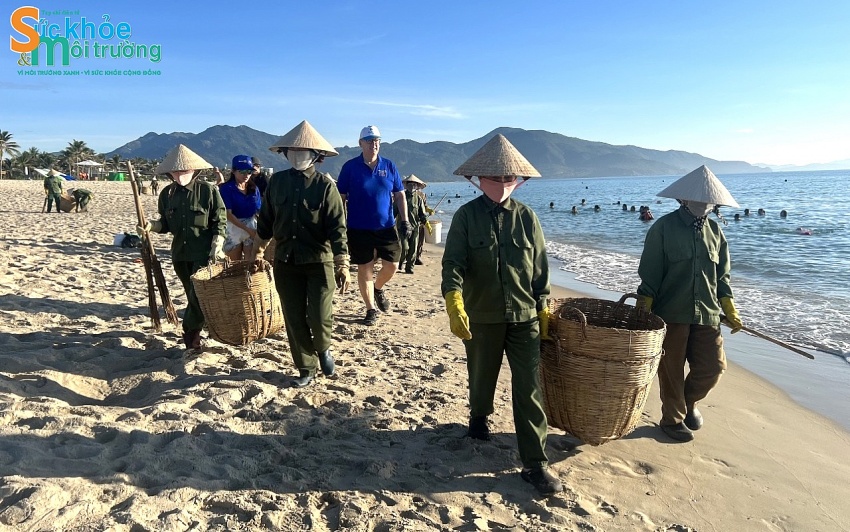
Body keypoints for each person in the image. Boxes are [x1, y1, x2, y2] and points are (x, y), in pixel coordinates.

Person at [442, 134, 562, 496]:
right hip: (482, 314)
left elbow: (540, 270)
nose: (504, 184)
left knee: (529, 388)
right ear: (479, 179)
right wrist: (454, 300)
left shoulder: (528, 219)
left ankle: (535, 463)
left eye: (510, 178)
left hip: (524, 317)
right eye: (497, 178)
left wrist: (543, 309)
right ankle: (479, 418)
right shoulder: (466, 217)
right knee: (481, 374)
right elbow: (453, 264)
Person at [636, 165, 744, 443]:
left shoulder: (716, 233)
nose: (703, 204)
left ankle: (688, 403)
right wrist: (643, 310)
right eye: (697, 198)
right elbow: (650, 273)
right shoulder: (663, 228)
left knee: (713, 367)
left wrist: (729, 307)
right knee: (671, 370)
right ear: (682, 199)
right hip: (670, 313)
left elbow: (723, 277)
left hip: (707, 314)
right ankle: (671, 419)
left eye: (709, 200)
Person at [257, 120, 349, 388]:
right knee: (294, 318)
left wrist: (343, 263)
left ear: (316, 156)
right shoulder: (277, 183)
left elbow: (337, 228)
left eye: (303, 152)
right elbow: (265, 222)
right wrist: (257, 254)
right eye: (292, 152)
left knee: (319, 316)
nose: (297, 156)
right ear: (286, 154)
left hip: (320, 262)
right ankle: (306, 368)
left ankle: (323, 348)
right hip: (286, 262)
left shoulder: (325, 187)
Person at [137, 144, 227, 350]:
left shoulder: (208, 191)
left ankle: (190, 334)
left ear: (194, 170)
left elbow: (219, 221)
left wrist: (217, 243)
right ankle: (199, 331)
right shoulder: (167, 194)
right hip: (180, 255)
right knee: (191, 294)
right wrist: (151, 226)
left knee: (197, 296)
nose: (180, 175)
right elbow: (165, 224)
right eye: (176, 172)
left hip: (204, 254)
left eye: (184, 171)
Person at [336, 125, 410, 326]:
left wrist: (405, 221)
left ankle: (378, 288)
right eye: (369, 141)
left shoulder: (389, 166)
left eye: (376, 140)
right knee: (364, 269)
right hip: (358, 228)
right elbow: (340, 197)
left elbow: (400, 194)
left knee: (393, 265)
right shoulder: (350, 167)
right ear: (360, 143)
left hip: (386, 227)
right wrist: (340, 223)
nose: (373, 144)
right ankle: (370, 309)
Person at [217, 155, 262, 261]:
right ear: (233, 171)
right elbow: (228, 214)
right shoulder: (226, 189)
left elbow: (259, 210)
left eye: (249, 171)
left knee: (251, 262)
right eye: (242, 171)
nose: (246, 175)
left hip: (251, 225)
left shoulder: (254, 189)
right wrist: (248, 230)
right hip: (233, 227)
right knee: (234, 264)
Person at [396, 175, 430, 274]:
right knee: (404, 248)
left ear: (417, 186)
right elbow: (393, 211)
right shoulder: (400, 197)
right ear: (406, 185)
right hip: (402, 227)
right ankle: (401, 262)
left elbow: (422, 213)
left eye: (414, 184)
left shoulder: (419, 199)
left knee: (413, 249)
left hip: (415, 227)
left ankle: (409, 268)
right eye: (410, 184)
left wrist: (426, 222)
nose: (412, 186)